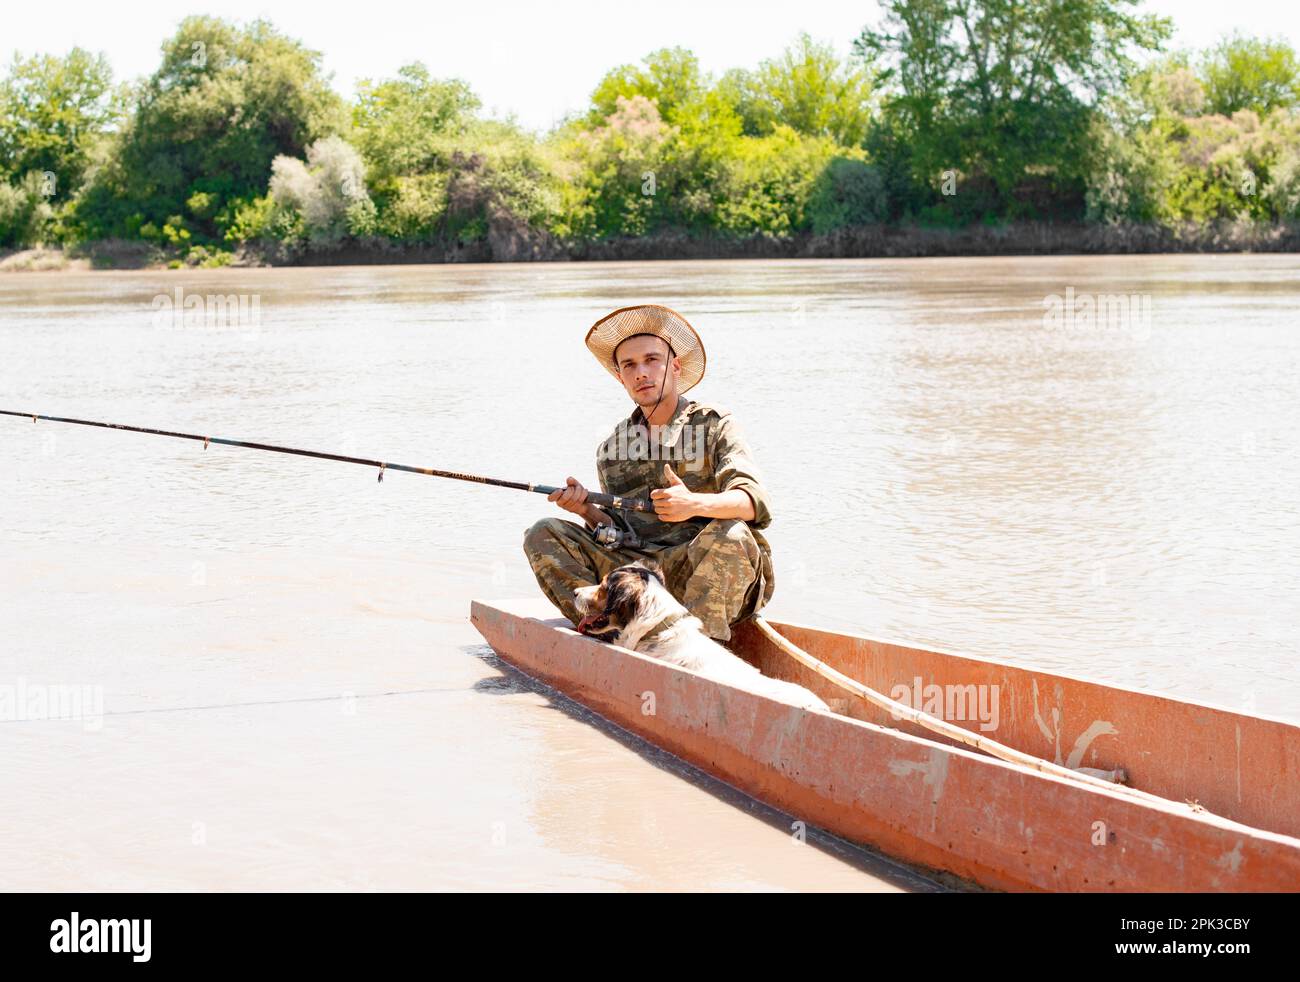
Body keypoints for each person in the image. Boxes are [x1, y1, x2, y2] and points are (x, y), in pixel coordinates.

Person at [522, 304, 774, 642]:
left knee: (732, 534)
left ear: (674, 366)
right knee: (543, 532)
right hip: (639, 577)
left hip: (704, 571)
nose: (642, 372)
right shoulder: (612, 448)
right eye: (630, 365)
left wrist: (693, 504)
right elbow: (615, 531)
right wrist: (585, 510)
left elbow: (752, 503)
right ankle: (609, 633)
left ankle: (700, 647)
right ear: (621, 377)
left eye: (652, 360)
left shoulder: (715, 425)